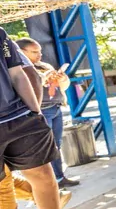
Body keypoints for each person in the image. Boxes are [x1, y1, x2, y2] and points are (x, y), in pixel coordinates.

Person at [1, 27, 93, 209]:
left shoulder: (1, 35)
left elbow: (20, 73)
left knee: (43, 174)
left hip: (19, 118)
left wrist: (34, 111)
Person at [16, 37, 79, 187]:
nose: (39, 55)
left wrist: (62, 79)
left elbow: (61, 87)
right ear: (21, 52)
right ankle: (49, 182)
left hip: (55, 107)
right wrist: (44, 78)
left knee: (56, 145)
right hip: (41, 112)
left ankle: (59, 177)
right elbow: (30, 86)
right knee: (46, 148)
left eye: (40, 51)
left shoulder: (44, 65)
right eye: (34, 52)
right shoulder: (18, 69)